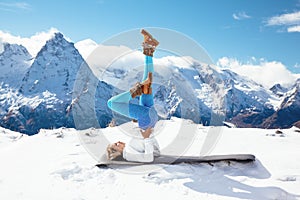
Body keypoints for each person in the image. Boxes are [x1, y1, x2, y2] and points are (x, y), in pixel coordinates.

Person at [106, 29, 160, 163]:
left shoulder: (130, 149)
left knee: (147, 80)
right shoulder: (128, 154)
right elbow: (149, 158)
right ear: (117, 153)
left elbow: (157, 151)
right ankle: (137, 89)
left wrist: (148, 133)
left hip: (149, 118)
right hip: (146, 119)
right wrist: (147, 138)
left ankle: (149, 49)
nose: (118, 142)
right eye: (116, 145)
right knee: (111, 103)